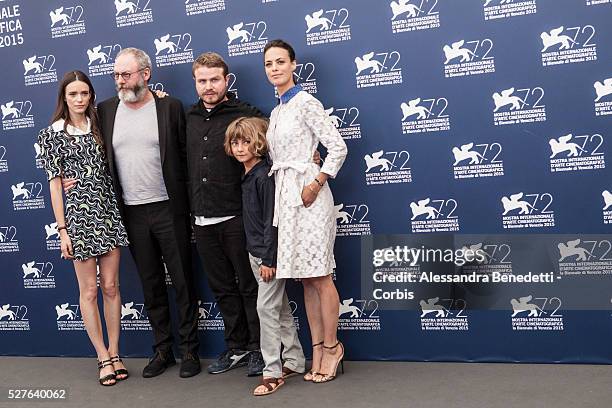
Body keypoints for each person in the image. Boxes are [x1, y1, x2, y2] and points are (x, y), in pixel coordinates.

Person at [69, 48, 201, 378]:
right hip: (130, 212)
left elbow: (187, 157)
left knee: (183, 280)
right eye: (116, 75)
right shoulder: (106, 110)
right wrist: (66, 175)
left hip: (169, 208)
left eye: (126, 74)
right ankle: (163, 350)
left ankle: (189, 351)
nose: (120, 81)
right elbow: (78, 136)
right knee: (150, 282)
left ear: (146, 74)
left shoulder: (169, 107)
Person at [263, 39, 348, 383]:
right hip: (287, 198)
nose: (274, 68)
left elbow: (338, 147)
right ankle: (316, 348)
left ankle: (332, 348)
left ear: (294, 65)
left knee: (320, 276)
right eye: (268, 63)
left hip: (310, 197)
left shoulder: (306, 102)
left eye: (280, 61)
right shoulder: (277, 110)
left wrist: (316, 182)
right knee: (305, 279)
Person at [38, 70, 130, 386]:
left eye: (84, 93)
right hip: (78, 218)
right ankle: (102, 356)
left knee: (112, 287)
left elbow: (131, 102)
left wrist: (156, 95)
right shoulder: (51, 134)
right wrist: (62, 230)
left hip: (107, 211)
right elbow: (53, 186)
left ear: (90, 95)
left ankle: (116, 352)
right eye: (73, 94)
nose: (80, 99)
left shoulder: (100, 125)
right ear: (64, 98)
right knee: (89, 291)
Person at [186, 52, 264, 376]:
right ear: (195, 82)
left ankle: (260, 350)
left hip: (236, 218)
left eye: (214, 79)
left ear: (226, 80)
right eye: (202, 80)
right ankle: (236, 348)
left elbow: (275, 137)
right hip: (201, 220)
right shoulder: (187, 117)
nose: (208, 86)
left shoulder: (244, 113)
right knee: (222, 288)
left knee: (249, 286)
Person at [224, 117, 305, 396]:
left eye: (246, 141)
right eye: (236, 142)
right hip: (255, 253)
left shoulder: (264, 176)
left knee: (265, 309)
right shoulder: (247, 175)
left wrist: (270, 259)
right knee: (279, 308)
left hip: (269, 256)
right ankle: (294, 360)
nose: (240, 147)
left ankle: (272, 372)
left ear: (259, 141)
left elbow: (273, 221)